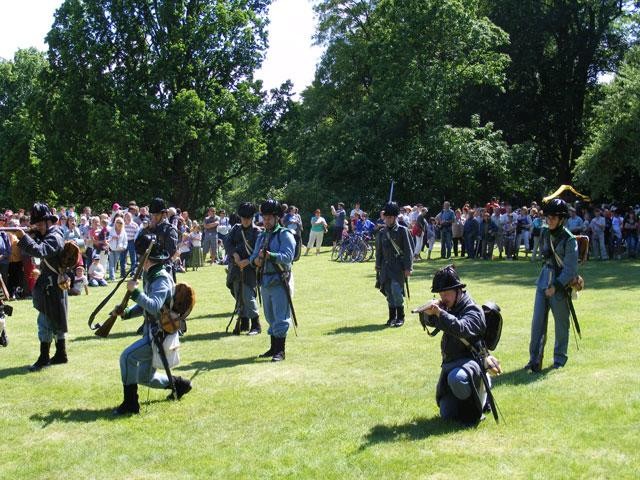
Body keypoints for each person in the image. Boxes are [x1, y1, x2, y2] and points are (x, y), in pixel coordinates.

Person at [112, 234, 192, 415]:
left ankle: (130, 404)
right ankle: (179, 384)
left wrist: (135, 292)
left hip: (159, 334)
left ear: (145, 257)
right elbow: (146, 306)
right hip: (152, 331)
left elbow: (154, 306)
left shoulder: (160, 278)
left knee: (126, 357)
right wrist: (126, 312)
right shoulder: (151, 275)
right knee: (144, 377)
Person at [415, 265, 490, 424]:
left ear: (458, 291)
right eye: (441, 293)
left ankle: (479, 404)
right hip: (451, 364)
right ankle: (474, 398)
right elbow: (434, 322)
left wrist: (440, 313)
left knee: (458, 380)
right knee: (447, 414)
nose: (444, 297)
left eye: (447, 293)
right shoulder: (449, 306)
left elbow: (461, 328)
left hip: (471, 362)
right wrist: (428, 313)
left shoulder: (473, 310)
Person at [525, 198, 578, 372]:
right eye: (548, 217)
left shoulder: (570, 240)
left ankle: (559, 359)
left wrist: (555, 286)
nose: (550, 220)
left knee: (561, 324)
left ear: (562, 219)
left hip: (560, 284)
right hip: (543, 279)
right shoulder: (545, 232)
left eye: (554, 217)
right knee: (537, 322)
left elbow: (570, 270)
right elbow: (545, 255)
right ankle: (534, 359)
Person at [15, 203, 69, 371]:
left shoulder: (54, 236)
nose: (37, 226)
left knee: (45, 320)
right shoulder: (48, 233)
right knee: (55, 318)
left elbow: (41, 251)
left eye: (39, 223)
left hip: (53, 284)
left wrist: (24, 238)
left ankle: (45, 357)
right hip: (51, 282)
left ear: (47, 221)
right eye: (36, 224)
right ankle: (60, 353)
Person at [249, 200, 295, 361]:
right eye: (264, 217)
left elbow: (288, 256)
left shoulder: (285, 234)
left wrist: (270, 256)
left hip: (280, 281)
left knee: (280, 317)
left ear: (277, 218)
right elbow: (253, 257)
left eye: (269, 218)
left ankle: (280, 351)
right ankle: (273, 348)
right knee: (270, 316)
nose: (266, 221)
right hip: (265, 281)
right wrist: (257, 260)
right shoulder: (261, 235)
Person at [226, 202, 262, 335]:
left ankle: (256, 324)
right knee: (238, 294)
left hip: (250, 268)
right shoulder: (236, 229)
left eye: (248, 218)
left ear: (252, 218)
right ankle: (244, 322)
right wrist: (235, 255)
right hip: (236, 267)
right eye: (243, 218)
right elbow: (228, 243)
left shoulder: (257, 232)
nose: (245, 220)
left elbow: (258, 251)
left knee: (248, 296)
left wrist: (247, 261)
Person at [375, 202, 413, 327]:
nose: (388, 219)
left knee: (396, 291)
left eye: (390, 217)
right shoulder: (382, 232)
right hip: (386, 268)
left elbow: (408, 250)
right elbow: (379, 251)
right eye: (386, 217)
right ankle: (392, 317)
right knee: (389, 293)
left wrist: (408, 268)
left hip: (398, 268)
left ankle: (400, 317)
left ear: (395, 217)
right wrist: (377, 265)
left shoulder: (403, 231)